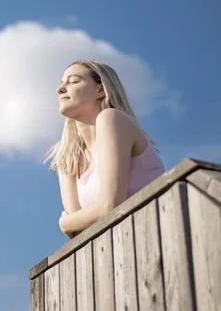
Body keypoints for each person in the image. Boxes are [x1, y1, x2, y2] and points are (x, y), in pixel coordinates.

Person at [44, 60, 166, 239]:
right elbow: (78, 235)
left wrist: (64, 222)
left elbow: (111, 206)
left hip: (156, 238)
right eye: (62, 83)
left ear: (100, 90)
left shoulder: (112, 119)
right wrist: (74, 223)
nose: (60, 89)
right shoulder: (66, 156)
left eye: (74, 81)